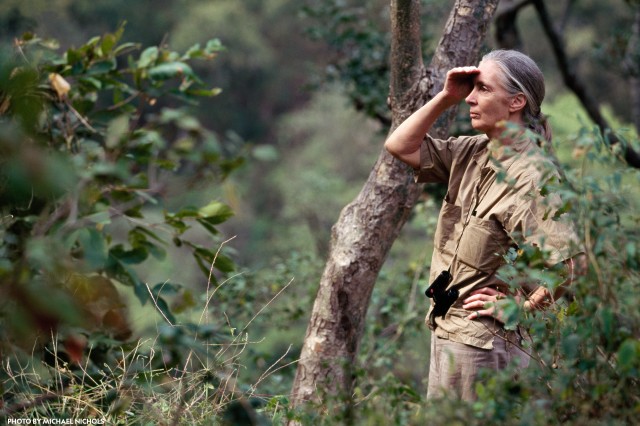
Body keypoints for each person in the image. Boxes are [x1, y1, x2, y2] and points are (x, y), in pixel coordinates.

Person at [384, 49, 586, 401]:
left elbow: (571, 263)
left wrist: (521, 307)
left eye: (483, 89)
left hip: (483, 347)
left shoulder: (533, 177)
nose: (471, 99)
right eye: (471, 89)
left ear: (516, 102)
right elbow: (399, 145)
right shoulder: (474, 151)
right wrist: (446, 96)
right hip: (449, 330)